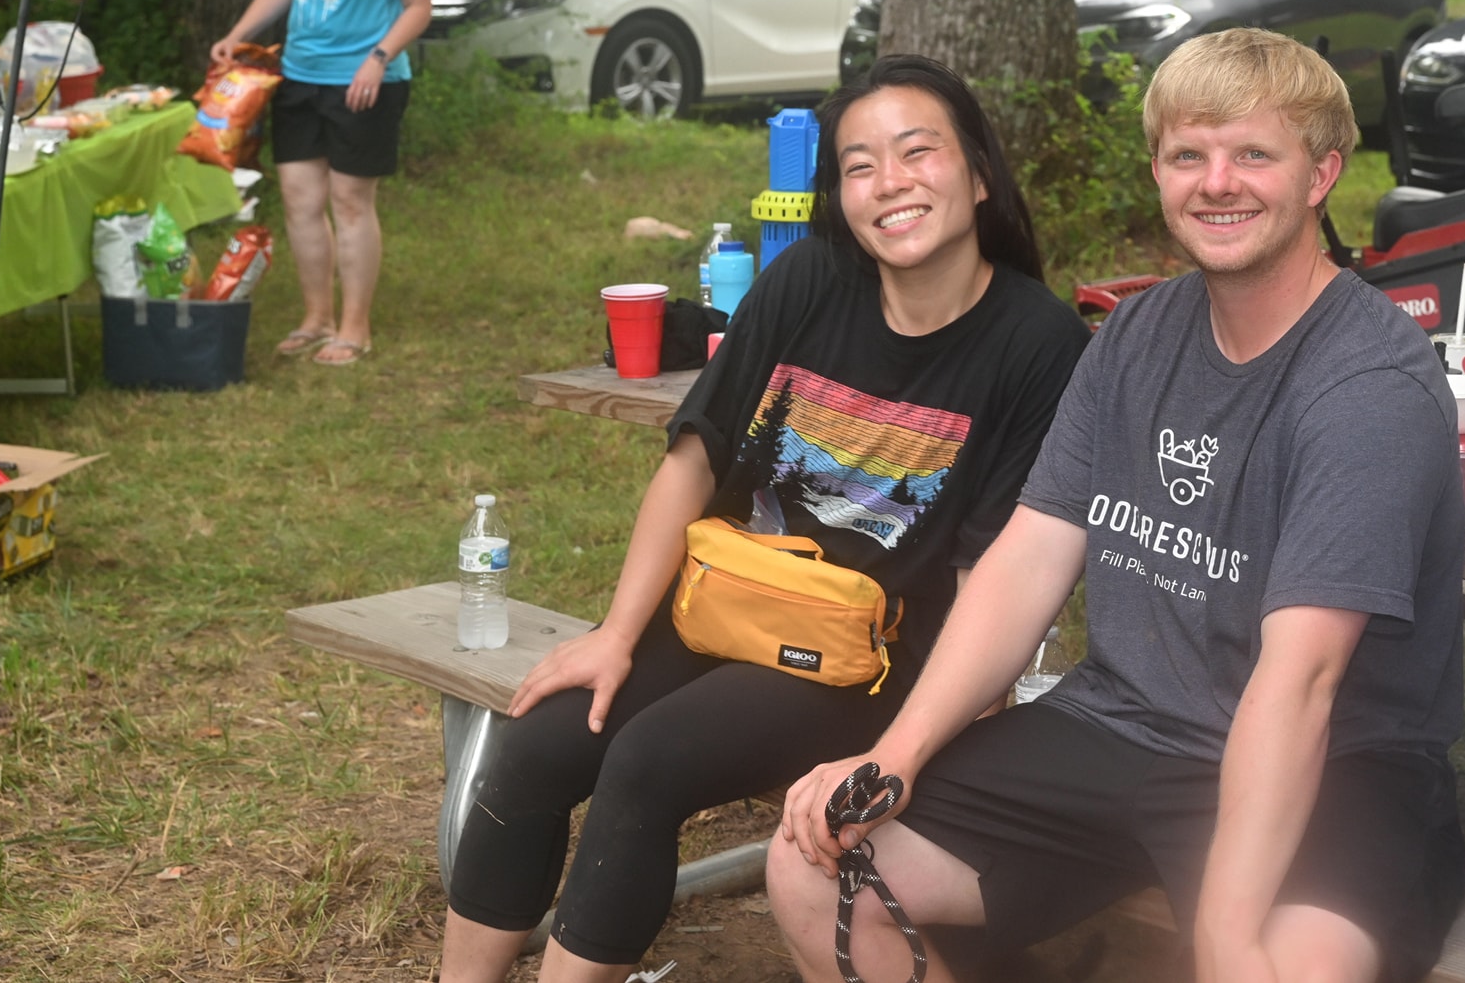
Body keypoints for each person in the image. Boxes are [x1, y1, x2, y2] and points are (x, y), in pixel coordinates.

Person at [771, 27, 1465, 983]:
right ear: (1159, 172)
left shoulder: (1367, 384)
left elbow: (1301, 680)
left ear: (1321, 175)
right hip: (1117, 728)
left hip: (1334, 761)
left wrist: (1224, 936)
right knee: (817, 870)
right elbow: (1027, 559)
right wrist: (896, 751)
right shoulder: (1137, 332)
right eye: (1189, 155)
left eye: (1253, 153)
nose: (1216, 181)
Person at [436, 55, 1091, 983]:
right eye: (859, 164)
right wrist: (617, 635)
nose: (889, 182)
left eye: (917, 152)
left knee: (648, 760)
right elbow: (692, 460)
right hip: (731, 601)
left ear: (980, 174)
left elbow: (993, 575)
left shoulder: (1038, 343)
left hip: (872, 660)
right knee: (542, 736)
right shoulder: (811, 280)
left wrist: (941, 751)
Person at [212, 0, 432, 367]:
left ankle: (355, 328)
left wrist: (377, 59)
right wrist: (238, 35)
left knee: (350, 202)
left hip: (363, 83)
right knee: (300, 200)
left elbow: (418, 7)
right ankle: (317, 317)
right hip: (301, 76)